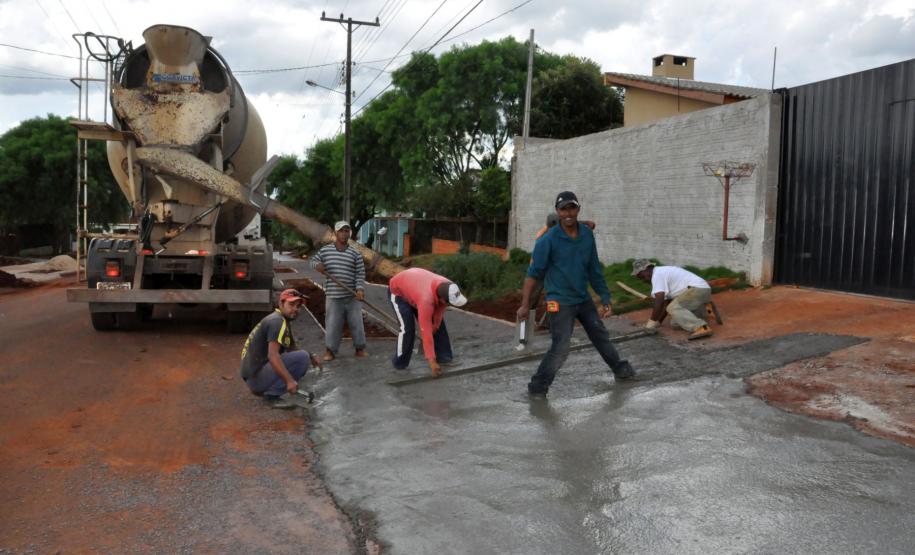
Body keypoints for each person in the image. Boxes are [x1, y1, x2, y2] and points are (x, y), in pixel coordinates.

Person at [516, 191, 635, 398]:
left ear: (578, 209)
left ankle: (621, 370)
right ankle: (537, 387)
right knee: (561, 346)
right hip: (559, 301)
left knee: (600, 335)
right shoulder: (548, 240)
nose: (568, 213)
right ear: (557, 211)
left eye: (572, 208)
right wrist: (525, 304)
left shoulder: (587, 235)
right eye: (563, 209)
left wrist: (604, 296)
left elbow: (593, 269)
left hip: (582, 298)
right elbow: (533, 274)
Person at [240, 288, 321, 409]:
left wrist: (311, 356)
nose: (295, 309)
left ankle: (266, 387)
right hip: (255, 379)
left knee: (304, 356)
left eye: (298, 306)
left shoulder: (281, 319)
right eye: (291, 304)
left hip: (253, 375)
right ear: (281, 304)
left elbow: (291, 347)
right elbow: (273, 356)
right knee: (302, 358)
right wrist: (289, 381)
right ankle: (272, 395)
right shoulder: (277, 322)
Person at [388, 267, 468, 377]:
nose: (449, 305)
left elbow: (440, 308)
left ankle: (444, 357)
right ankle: (400, 362)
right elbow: (425, 331)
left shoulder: (448, 287)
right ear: (442, 299)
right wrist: (432, 362)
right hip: (399, 292)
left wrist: (436, 324)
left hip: (416, 288)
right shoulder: (426, 300)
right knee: (408, 328)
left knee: (438, 326)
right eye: (449, 303)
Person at [311, 221, 367, 361]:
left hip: (352, 296)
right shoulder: (326, 251)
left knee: (357, 323)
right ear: (336, 233)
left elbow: (360, 273)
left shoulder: (355, 253)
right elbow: (312, 261)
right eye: (341, 231)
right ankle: (330, 351)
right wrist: (318, 265)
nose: (344, 234)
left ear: (349, 234)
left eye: (346, 231)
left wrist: (359, 288)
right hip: (334, 296)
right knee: (333, 324)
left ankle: (359, 349)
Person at [631, 259, 713, 340]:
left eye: (641, 275)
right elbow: (666, 303)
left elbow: (659, 301)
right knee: (675, 324)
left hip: (697, 289)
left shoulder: (657, 274)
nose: (642, 279)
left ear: (647, 268)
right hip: (698, 292)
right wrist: (658, 322)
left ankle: (702, 328)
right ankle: (699, 313)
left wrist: (652, 322)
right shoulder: (660, 273)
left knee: (673, 308)